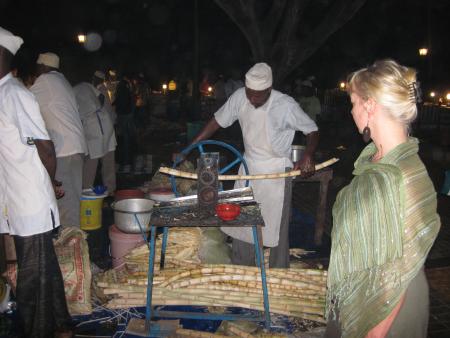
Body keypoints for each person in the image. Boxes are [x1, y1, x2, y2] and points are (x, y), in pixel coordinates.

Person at [325, 60, 441, 338]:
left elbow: (396, 271)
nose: (351, 111)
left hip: (385, 313)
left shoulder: (394, 176)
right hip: (378, 294)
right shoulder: (383, 164)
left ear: (370, 106)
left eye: (353, 102)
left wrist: (372, 332)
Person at [191, 62, 319, 268]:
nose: (251, 98)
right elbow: (216, 121)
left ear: (269, 89)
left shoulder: (285, 105)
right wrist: (191, 146)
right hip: (249, 167)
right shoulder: (240, 97)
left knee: (276, 226)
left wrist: (308, 155)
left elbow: (312, 130)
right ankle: (243, 266)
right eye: (249, 93)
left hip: (277, 172)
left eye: (257, 95)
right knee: (242, 220)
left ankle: (278, 271)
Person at [0, 27, 73, 338]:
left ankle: (39, 330)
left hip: (30, 202)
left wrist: (52, 180)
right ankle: (62, 325)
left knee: (32, 281)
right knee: (46, 271)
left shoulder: (15, 94)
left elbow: (45, 145)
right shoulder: (4, 93)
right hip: (17, 199)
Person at [31, 52, 87, 227]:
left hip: (64, 151)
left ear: (42, 67)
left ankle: (71, 246)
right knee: (73, 200)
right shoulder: (63, 82)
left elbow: (23, 99)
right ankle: (76, 245)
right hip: (77, 147)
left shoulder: (45, 81)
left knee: (65, 205)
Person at [73, 75, 117, 195]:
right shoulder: (88, 86)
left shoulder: (72, 90)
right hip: (103, 120)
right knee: (108, 159)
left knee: (91, 161)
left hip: (91, 124)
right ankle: (110, 189)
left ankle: (87, 191)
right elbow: (101, 98)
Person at [114, 72, 135, 173]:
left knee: (123, 140)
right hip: (126, 114)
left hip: (123, 115)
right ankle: (125, 163)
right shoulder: (127, 85)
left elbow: (121, 100)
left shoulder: (121, 86)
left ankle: (125, 163)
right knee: (125, 139)